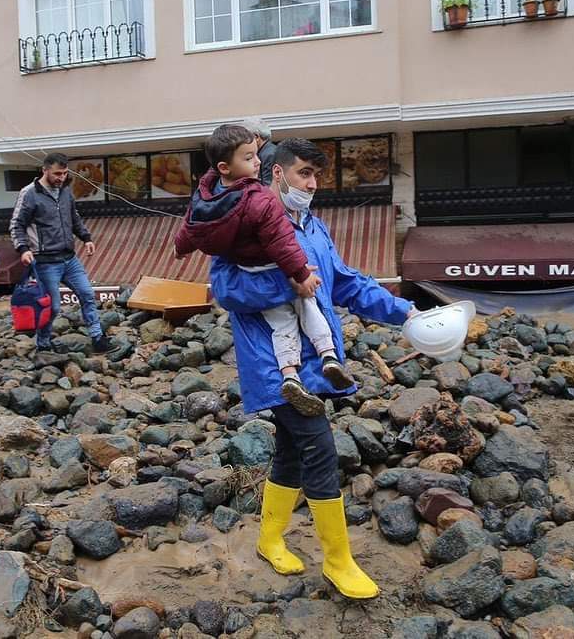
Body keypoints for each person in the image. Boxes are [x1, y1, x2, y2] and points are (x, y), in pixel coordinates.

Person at [210, 137, 419, 600]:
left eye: (317, 175)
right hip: (275, 364)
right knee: (321, 448)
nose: (313, 183)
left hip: (317, 363)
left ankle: (268, 540)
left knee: (289, 453)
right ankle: (338, 561)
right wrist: (288, 283)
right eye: (304, 173)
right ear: (276, 173)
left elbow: (345, 283)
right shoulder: (243, 225)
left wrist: (406, 313)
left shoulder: (314, 226)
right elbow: (224, 290)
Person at [175, 124, 353, 416]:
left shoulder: (205, 200)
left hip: (249, 270)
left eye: (256, 155)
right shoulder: (260, 199)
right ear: (225, 167)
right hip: (274, 270)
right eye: (248, 158)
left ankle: (290, 375)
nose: (258, 162)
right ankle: (329, 356)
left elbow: (188, 229)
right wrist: (300, 275)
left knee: (282, 326)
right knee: (309, 307)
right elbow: (282, 243)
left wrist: (180, 249)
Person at [9, 153, 111, 353]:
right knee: (53, 307)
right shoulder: (29, 193)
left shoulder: (65, 191)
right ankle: (44, 343)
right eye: (57, 173)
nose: (61, 178)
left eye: (64, 173)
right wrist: (23, 249)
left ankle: (98, 338)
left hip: (70, 258)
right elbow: (16, 225)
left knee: (87, 294)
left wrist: (86, 238)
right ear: (44, 170)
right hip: (45, 262)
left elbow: (74, 218)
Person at [243, 116, 278, 186]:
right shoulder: (267, 151)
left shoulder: (269, 154)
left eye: (245, 137)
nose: (243, 142)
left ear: (256, 137)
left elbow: (268, 185)